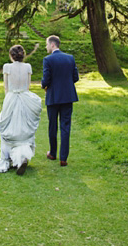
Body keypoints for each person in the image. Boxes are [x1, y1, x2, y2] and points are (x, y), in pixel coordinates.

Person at [0, 45, 42, 175]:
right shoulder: (28, 67)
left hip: (11, 98)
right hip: (25, 98)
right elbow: (28, 86)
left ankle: (7, 159)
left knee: (7, 128)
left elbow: (6, 88)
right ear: (23, 55)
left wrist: (8, 102)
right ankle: (21, 158)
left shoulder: (7, 67)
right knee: (24, 129)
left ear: (11, 55)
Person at [41, 35, 79, 167]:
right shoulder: (70, 58)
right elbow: (75, 77)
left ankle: (52, 153)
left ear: (52, 45)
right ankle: (63, 158)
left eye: (46, 44)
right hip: (68, 96)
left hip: (53, 97)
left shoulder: (48, 59)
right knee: (65, 127)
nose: (46, 47)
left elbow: (46, 79)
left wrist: (44, 86)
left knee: (53, 126)